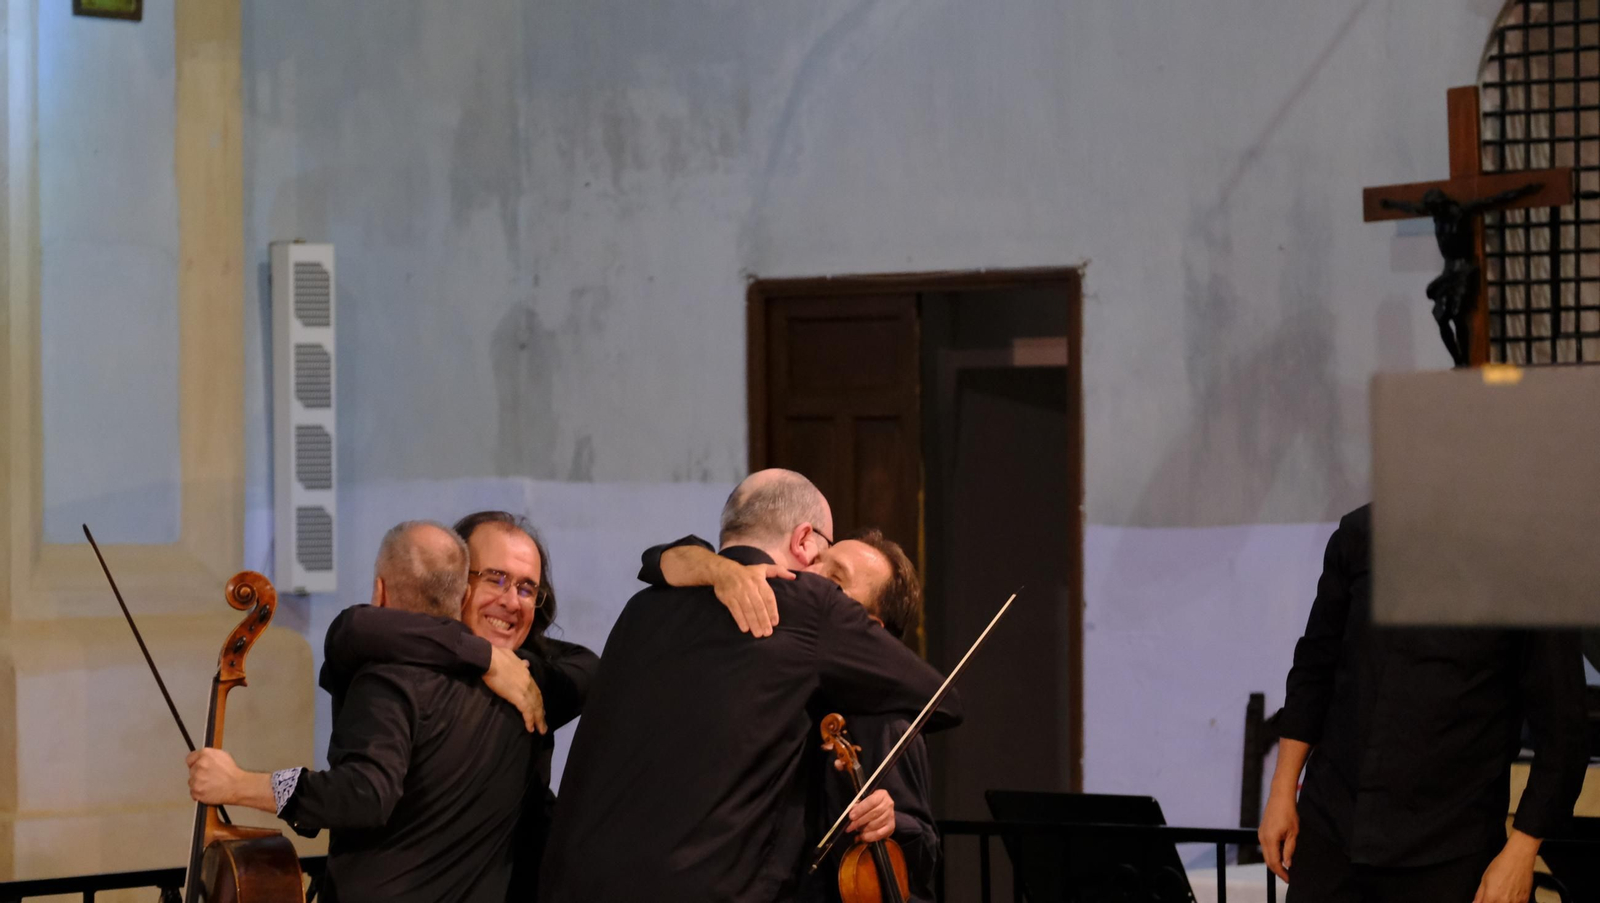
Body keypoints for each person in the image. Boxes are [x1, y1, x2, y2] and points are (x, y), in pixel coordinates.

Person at [540, 469, 962, 903]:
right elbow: (943, 699)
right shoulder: (807, 607)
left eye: (835, 580)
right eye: (822, 556)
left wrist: (683, 558)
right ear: (803, 540)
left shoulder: (641, 607)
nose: (818, 574)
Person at [186, 521, 534, 903]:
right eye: (497, 579)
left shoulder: (387, 680)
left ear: (379, 591)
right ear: (464, 594)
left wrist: (239, 784)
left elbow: (365, 792)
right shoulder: (528, 690)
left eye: (524, 587)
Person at [1258, 504, 1589, 903]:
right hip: (1331, 834)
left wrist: (1521, 850)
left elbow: (1565, 731)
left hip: (1449, 853)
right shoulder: (1361, 532)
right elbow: (1314, 668)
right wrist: (1281, 791)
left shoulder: (1531, 563)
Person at [640, 528, 942, 902]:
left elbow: (925, 854)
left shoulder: (887, 716)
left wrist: (894, 822)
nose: (810, 576)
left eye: (835, 580)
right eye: (817, 561)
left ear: (871, 631)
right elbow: (658, 557)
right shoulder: (792, 681)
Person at [316, 510, 596, 902]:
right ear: (455, 584)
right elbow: (352, 629)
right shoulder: (389, 664)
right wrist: (481, 655)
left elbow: (588, 669)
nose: (511, 601)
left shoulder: (531, 681)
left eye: (527, 588)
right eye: (495, 578)